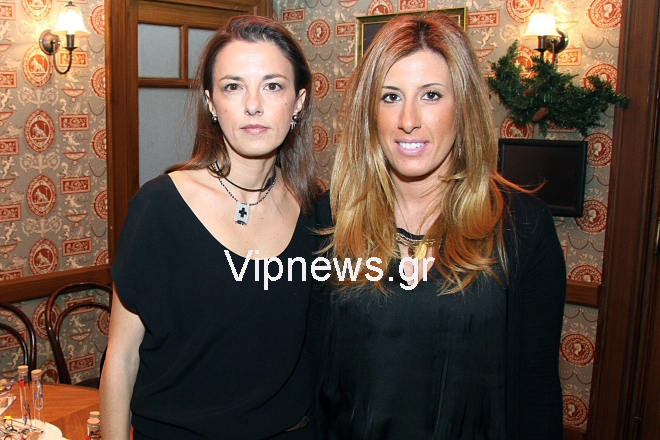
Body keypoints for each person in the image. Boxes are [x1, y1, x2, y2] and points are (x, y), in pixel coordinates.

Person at [310, 13, 566, 439]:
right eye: (390, 96)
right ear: (369, 112)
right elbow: (310, 375)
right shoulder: (331, 218)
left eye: (431, 95)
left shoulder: (522, 226)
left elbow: (536, 389)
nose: (408, 118)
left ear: (462, 107)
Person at [100, 15, 320, 440]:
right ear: (212, 103)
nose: (253, 104)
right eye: (233, 86)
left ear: (298, 102)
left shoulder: (315, 210)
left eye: (273, 86)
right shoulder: (160, 208)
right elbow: (122, 359)